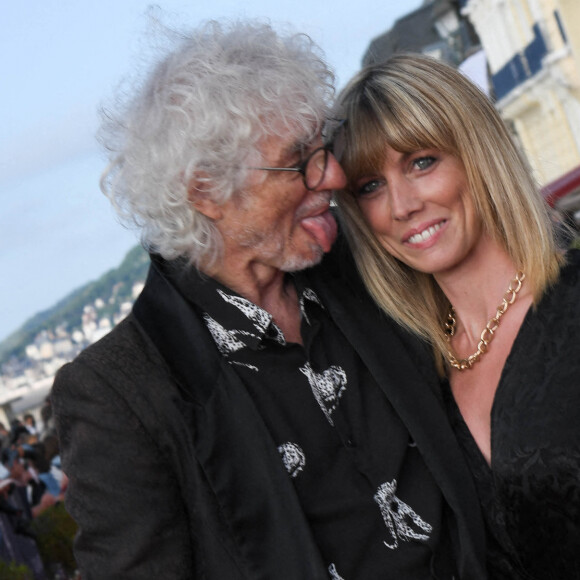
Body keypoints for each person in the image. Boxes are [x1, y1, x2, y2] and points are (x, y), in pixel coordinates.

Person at [52, 22, 487, 579]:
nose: (332, 175)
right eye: (298, 160)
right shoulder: (119, 393)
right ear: (206, 190)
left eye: (323, 148)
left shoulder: (369, 265)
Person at [332, 53, 580, 579]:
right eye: (370, 187)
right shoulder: (413, 378)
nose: (401, 205)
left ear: (477, 153)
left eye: (421, 162)